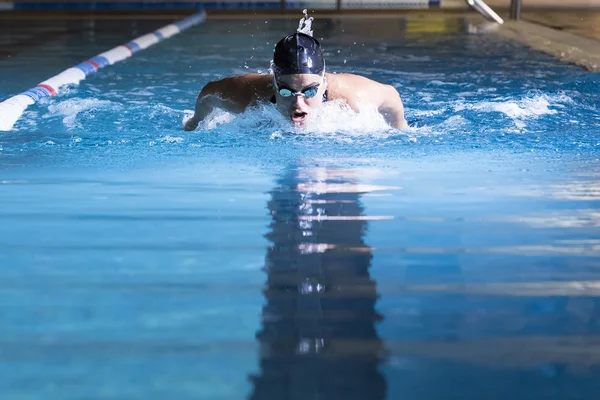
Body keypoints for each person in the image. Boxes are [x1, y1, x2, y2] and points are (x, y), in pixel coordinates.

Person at [183, 31, 408, 131]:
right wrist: (194, 122)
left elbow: (391, 96)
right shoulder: (247, 97)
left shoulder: (352, 100)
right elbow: (208, 94)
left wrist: (399, 127)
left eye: (310, 92)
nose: (298, 105)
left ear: (324, 84)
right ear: (274, 83)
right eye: (287, 92)